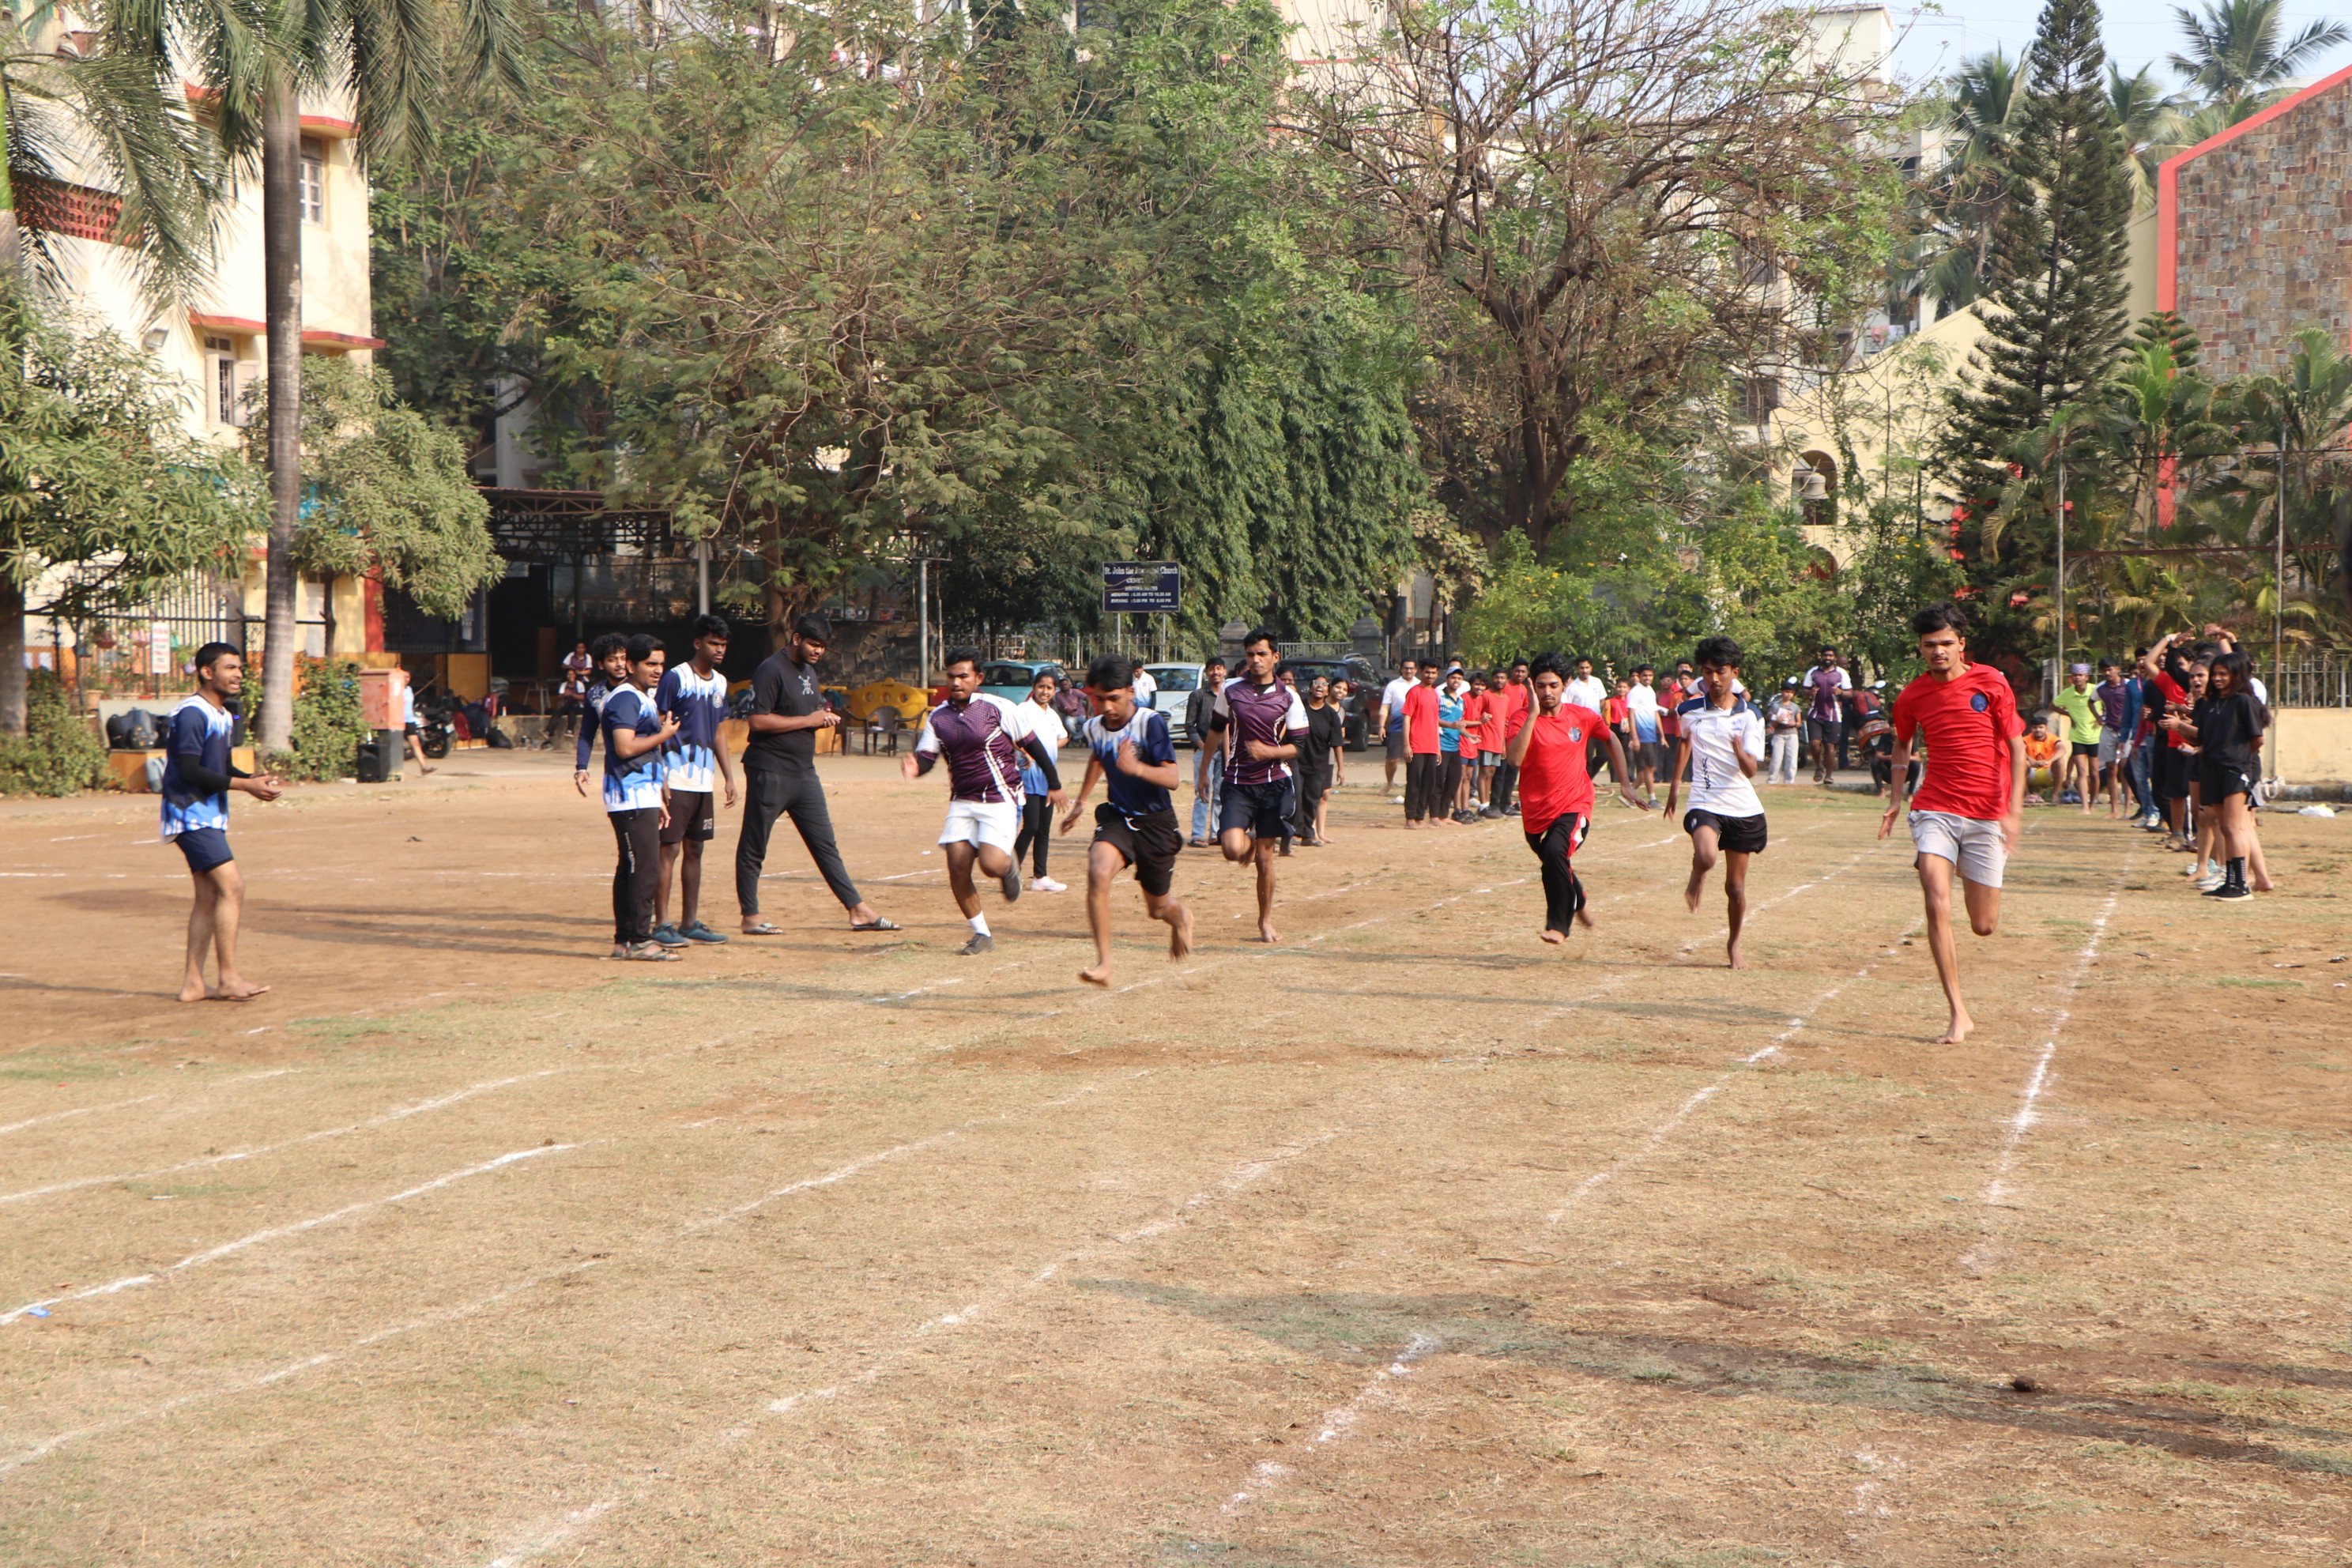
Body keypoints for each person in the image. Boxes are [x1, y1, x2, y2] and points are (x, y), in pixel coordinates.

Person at [1880, 602, 2026, 1045]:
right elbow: (1902, 746)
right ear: (1920, 648)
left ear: (1962, 644)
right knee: (1936, 901)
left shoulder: (1991, 682)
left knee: (1984, 924)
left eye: (1946, 643)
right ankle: (1958, 1013)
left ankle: (1961, 862)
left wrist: (2014, 812)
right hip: (1934, 808)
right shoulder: (1912, 696)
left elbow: (2017, 748)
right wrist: (1896, 800)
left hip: (1986, 814)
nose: (1938, 651)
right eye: (1929, 645)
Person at [735, 613, 896, 936]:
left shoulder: (808, 671)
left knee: (825, 844)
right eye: (813, 644)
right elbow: (758, 721)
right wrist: (809, 721)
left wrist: (822, 717)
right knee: (754, 844)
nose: (818, 651)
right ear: (797, 639)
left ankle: (857, 910)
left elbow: (807, 712)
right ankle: (750, 916)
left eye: (823, 646)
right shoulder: (771, 669)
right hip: (770, 769)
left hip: (803, 773)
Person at [904, 649, 1065, 954]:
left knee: (991, 865)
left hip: (1000, 797)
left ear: (978, 678)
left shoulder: (998, 707)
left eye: (963, 676)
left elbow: (1033, 744)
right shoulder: (939, 717)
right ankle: (982, 934)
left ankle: (1008, 866)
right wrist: (916, 766)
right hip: (962, 800)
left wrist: (1054, 784)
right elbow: (927, 756)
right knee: (957, 865)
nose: (956, 682)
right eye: (951, 676)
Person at [1059, 654, 1193, 984]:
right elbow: (1098, 756)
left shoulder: (1150, 723)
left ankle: (1180, 917)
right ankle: (1104, 964)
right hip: (1119, 817)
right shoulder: (1093, 727)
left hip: (1156, 823)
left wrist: (1136, 768)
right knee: (1098, 871)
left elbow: (1173, 778)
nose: (1106, 707)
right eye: (1098, 699)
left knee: (1157, 909)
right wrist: (1082, 801)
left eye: (1113, 698)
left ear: (1131, 693)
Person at [161, 643, 285, 1001]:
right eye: (230, 667)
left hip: (207, 814)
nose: (238, 674)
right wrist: (245, 786)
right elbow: (189, 770)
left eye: (239, 668)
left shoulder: (223, 715)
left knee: (208, 897)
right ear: (206, 672)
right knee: (233, 888)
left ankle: (193, 984)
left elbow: (219, 766)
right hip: (189, 814)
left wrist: (251, 780)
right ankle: (228, 978)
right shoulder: (192, 713)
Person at [1503, 650, 1647, 945]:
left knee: (1556, 853)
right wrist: (1532, 715)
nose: (1547, 692)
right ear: (1532, 686)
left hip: (1575, 804)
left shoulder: (1581, 717)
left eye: (1553, 685)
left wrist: (1625, 784)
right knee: (1555, 861)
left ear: (1565, 684)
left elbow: (1611, 739)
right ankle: (1578, 897)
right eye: (1541, 686)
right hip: (1536, 812)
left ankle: (1558, 925)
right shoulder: (1521, 718)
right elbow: (1515, 759)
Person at [1664, 635, 1768, 969]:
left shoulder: (1750, 715)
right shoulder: (1688, 709)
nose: (1714, 678)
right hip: (1704, 798)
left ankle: (1734, 944)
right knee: (1707, 855)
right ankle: (1698, 872)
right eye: (1707, 672)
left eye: (1721, 671)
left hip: (1742, 806)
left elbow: (1751, 770)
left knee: (1735, 888)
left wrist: (1739, 751)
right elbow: (1685, 742)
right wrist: (1676, 785)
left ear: (1734, 672)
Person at [1209, 628, 1310, 940]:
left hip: (1273, 783)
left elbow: (1299, 747)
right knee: (1230, 848)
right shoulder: (1230, 689)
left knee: (1265, 861)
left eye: (1262, 654)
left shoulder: (1288, 696)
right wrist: (1202, 772)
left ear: (1275, 657)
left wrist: (1269, 752)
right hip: (1237, 781)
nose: (1255, 660)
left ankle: (1265, 921)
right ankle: (1249, 843)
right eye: (1251, 654)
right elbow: (1216, 728)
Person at [649, 613, 740, 947]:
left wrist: (728, 777)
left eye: (724, 645)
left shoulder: (721, 683)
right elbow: (658, 724)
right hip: (675, 778)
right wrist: (659, 775)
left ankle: (689, 923)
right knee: (669, 849)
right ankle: (662, 923)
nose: (720, 650)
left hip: (703, 782)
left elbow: (718, 732)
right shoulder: (676, 678)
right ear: (698, 643)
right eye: (714, 643)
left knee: (696, 849)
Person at [2162, 648, 2267, 899]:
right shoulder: (2210, 704)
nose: (2218, 678)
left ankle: (2241, 884)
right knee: (2224, 827)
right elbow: (2203, 737)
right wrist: (2180, 727)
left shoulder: (2244, 702)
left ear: (2236, 675)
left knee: (2234, 827)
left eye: (2224, 674)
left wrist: (2239, 762)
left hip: (2235, 770)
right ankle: (2230, 880)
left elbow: (2257, 740)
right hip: (2211, 769)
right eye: (2216, 674)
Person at [602, 634, 682, 961]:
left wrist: (658, 793)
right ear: (631, 665)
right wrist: (664, 735)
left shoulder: (643, 697)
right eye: (651, 664)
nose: (658, 670)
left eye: (661, 664)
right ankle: (639, 939)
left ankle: (624, 941)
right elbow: (624, 747)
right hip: (629, 796)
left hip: (641, 795)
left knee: (632, 867)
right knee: (645, 869)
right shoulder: (625, 699)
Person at [1011, 671, 1072, 893]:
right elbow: (1011, 736)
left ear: (1054, 691)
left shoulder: (1052, 714)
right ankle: (1010, 871)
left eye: (1049, 688)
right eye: (1041, 686)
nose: (1045, 691)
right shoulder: (1023, 710)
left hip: (1047, 778)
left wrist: (1049, 748)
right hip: (1028, 776)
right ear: (1034, 687)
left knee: (1044, 829)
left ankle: (1040, 876)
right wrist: (1026, 752)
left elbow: (1064, 736)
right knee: (1031, 826)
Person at [572, 633, 628, 796]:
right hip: (614, 771)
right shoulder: (595, 695)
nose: (620, 664)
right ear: (601, 664)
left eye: (624, 658)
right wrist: (582, 768)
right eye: (612, 660)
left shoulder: (646, 690)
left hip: (648, 769)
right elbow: (586, 734)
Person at [1294, 674, 1346, 845]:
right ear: (1310, 687)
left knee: (1312, 800)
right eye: (1316, 683)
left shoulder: (1330, 715)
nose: (1320, 686)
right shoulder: (1299, 707)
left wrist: (1341, 768)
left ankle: (1307, 835)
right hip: (1296, 762)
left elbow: (1337, 743)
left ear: (1327, 691)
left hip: (1318, 765)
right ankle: (1291, 834)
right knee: (1295, 798)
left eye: (1324, 685)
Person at [1185, 656, 1227, 847]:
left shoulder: (1229, 694)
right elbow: (1189, 725)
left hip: (1225, 751)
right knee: (1203, 792)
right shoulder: (1198, 695)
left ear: (1225, 671)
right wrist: (1203, 746)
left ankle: (1216, 833)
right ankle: (1197, 834)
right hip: (1204, 750)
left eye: (1219, 668)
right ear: (1207, 673)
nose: (1215, 672)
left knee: (1220, 793)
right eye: (1211, 669)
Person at [2052, 663, 2099, 809]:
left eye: (2081, 675)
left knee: (2094, 772)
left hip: (2096, 736)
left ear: (2087, 677)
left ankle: (2093, 803)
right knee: (2081, 771)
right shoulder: (2068, 693)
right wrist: (2069, 715)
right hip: (2077, 736)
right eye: (2075, 675)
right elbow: (2053, 705)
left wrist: (2101, 718)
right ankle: (2085, 806)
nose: (2078, 678)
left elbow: (2110, 704)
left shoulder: (2096, 690)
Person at [1402, 661, 1442, 828]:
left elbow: (1435, 722)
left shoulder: (1435, 694)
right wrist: (1407, 744)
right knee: (1414, 783)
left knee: (1428, 783)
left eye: (1433, 673)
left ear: (1437, 674)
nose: (1430, 676)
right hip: (1416, 745)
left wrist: (1438, 748)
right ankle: (1410, 818)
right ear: (1421, 672)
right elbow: (1407, 718)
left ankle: (1420, 817)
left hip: (1431, 746)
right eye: (1427, 672)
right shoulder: (1414, 692)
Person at [1804, 646, 1851, 784]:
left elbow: (1850, 693)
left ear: (1835, 658)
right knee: (1814, 744)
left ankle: (1829, 775)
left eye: (1830, 656)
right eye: (1825, 655)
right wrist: (1810, 692)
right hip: (1815, 713)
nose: (1828, 658)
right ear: (1822, 656)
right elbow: (1804, 691)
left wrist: (1841, 692)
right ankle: (1819, 767)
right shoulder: (1813, 672)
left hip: (1834, 714)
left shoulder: (1841, 673)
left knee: (1830, 746)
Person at [1624, 663, 1664, 805]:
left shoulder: (1650, 691)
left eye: (1650, 675)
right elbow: (1631, 714)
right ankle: (1652, 798)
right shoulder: (1635, 692)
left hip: (1651, 733)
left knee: (1652, 767)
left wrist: (1662, 735)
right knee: (1648, 767)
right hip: (1642, 734)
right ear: (1639, 676)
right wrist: (1634, 737)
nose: (1647, 678)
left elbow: (1655, 713)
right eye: (1645, 675)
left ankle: (1628, 794)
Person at [1436, 665, 1472, 819]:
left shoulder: (1460, 700)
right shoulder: (1439, 697)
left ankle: (1444, 816)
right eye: (1453, 678)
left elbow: (1458, 724)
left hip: (1455, 746)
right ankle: (1435, 816)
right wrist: (1450, 725)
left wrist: (1469, 736)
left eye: (1459, 678)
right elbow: (1433, 719)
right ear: (1447, 679)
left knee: (1454, 781)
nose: (1456, 681)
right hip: (1441, 745)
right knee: (1439, 782)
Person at [1765, 680, 1803, 786]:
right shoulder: (1776, 706)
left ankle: (1789, 781)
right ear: (1782, 692)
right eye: (1786, 692)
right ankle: (1772, 780)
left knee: (1792, 759)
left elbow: (1799, 723)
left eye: (1791, 692)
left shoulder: (1795, 707)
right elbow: (1769, 719)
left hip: (1792, 734)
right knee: (1776, 759)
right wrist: (1778, 720)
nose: (1788, 695)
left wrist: (1793, 723)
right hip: (1779, 734)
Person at [2022, 718, 2060, 804]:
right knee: (2023, 763)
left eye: (2041, 727)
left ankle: (2055, 795)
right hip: (2032, 772)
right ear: (2031, 729)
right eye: (2035, 727)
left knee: (2060, 761)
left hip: (2049, 771)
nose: (2038, 730)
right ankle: (2026, 795)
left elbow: (2062, 750)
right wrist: (2031, 760)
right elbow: (2019, 750)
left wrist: (2049, 761)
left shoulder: (2053, 738)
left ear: (2046, 728)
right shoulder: (2026, 739)